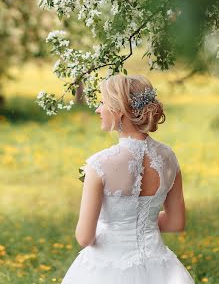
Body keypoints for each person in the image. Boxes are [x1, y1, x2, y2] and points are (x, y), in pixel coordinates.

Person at [61, 74, 195, 284]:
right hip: (159, 267)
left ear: (119, 110)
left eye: (102, 102)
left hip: (107, 267)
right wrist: (143, 222)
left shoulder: (99, 164)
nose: (98, 109)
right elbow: (175, 222)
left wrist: (118, 223)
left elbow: (84, 237)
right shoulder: (168, 158)